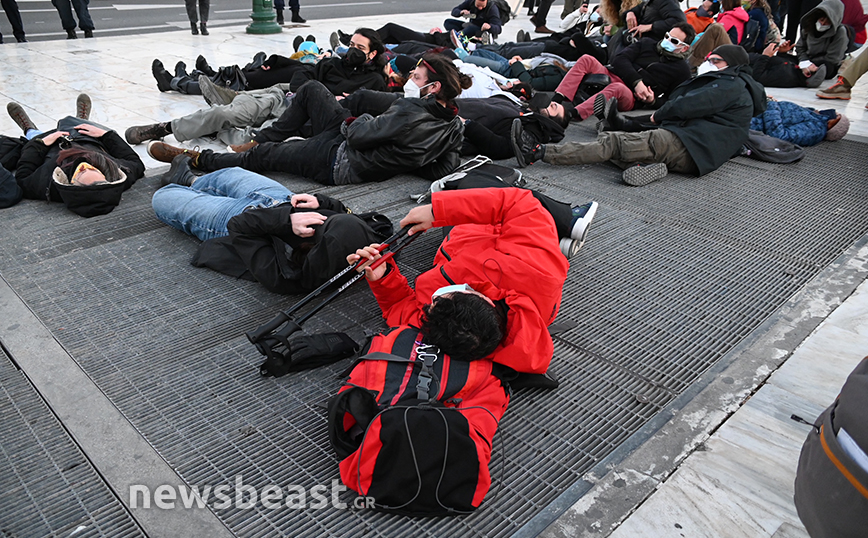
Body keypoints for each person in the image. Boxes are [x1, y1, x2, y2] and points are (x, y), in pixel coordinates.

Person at [348, 186, 597, 375]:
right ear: (480, 295)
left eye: (433, 302)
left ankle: (559, 231)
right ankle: (565, 223)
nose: (432, 296)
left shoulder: (447, 327)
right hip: (492, 229)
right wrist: (438, 211)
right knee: (509, 190)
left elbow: (399, 309)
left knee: (459, 187)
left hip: (458, 242)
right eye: (448, 292)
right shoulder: (534, 267)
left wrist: (382, 278)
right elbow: (519, 203)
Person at [145, 54, 469, 185]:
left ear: (433, 86)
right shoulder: (453, 126)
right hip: (350, 146)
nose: (410, 77)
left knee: (263, 158)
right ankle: (262, 136)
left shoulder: (410, 110)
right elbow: (442, 168)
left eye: (416, 74)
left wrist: (365, 121)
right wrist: (403, 157)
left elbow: (357, 135)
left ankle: (198, 159)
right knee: (312, 89)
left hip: (340, 161)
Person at [511, 45, 767, 187]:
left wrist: (657, 117)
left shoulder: (731, 84)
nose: (708, 64)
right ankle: (642, 164)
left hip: (688, 143)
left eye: (715, 60)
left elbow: (689, 104)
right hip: (694, 147)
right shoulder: (739, 88)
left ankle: (538, 152)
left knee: (613, 143)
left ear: (730, 64)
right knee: (619, 141)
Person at [152, 159, 391, 294]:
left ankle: (186, 186)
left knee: (163, 198)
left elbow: (239, 226)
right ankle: (193, 181)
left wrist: (287, 220)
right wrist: (324, 203)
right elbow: (357, 217)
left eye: (325, 225)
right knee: (232, 173)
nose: (323, 220)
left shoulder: (291, 275)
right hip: (283, 199)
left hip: (247, 220)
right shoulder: (370, 241)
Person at [4, 95, 145, 216]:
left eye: (81, 173)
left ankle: (29, 129)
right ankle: (82, 120)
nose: (85, 165)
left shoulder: (49, 186)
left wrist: (40, 144)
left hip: (51, 146)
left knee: (32, 138)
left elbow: (22, 177)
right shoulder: (118, 176)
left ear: (71, 183)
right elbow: (136, 163)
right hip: (86, 138)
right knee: (81, 127)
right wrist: (107, 135)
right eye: (95, 169)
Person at [553, 22, 694, 118]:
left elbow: (672, 101)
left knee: (618, 87)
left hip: (630, 96)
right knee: (586, 59)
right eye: (667, 36)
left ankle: (572, 114)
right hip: (615, 74)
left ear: (684, 48)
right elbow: (619, 59)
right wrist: (637, 82)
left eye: (674, 41)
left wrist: (652, 101)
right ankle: (556, 101)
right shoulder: (647, 43)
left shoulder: (682, 71)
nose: (667, 41)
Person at [796, 0, 849, 81]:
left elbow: (833, 58)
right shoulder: (809, 26)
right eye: (821, 20)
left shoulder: (840, 32)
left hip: (826, 63)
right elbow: (800, 47)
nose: (823, 23)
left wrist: (811, 64)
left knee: (824, 68)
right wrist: (804, 61)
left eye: (828, 22)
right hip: (807, 59)